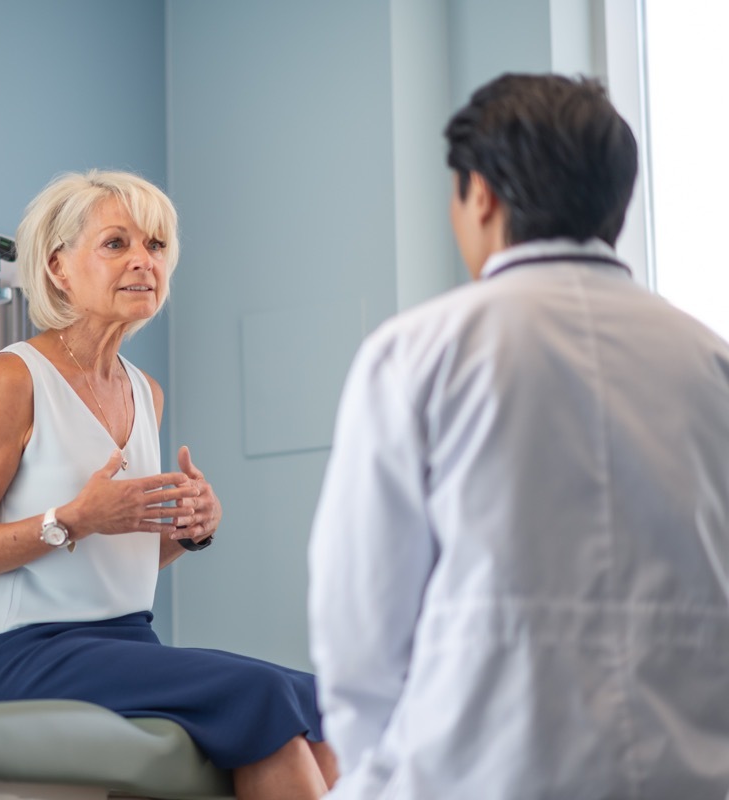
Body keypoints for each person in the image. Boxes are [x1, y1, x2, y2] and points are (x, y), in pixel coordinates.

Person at [308, 73, 729, 799]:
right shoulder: (709, 361)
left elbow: (361, 621)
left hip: (476, 775)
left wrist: (376, 776)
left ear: (481, 196)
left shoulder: (420, 352)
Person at [0, 169, 338, 799]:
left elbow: (121, 558)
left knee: (318, 704)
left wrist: (189, 531)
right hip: (21, 656)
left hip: (125, 641)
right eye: (116, 244)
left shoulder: (145, 393)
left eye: (155, 245)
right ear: (59, 267)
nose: (144, 261)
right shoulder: (15, 378)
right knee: (261, 696)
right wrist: (74, 517)